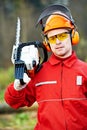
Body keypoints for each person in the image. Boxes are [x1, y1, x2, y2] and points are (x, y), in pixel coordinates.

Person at [4, 4, 87, 130]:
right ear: (46, 43)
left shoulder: (84, 71)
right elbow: (13, 102)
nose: (58, 42)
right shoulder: (39, 72)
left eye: (62, 35)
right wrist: (17, 87)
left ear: (73, 36)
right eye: (53, 38)